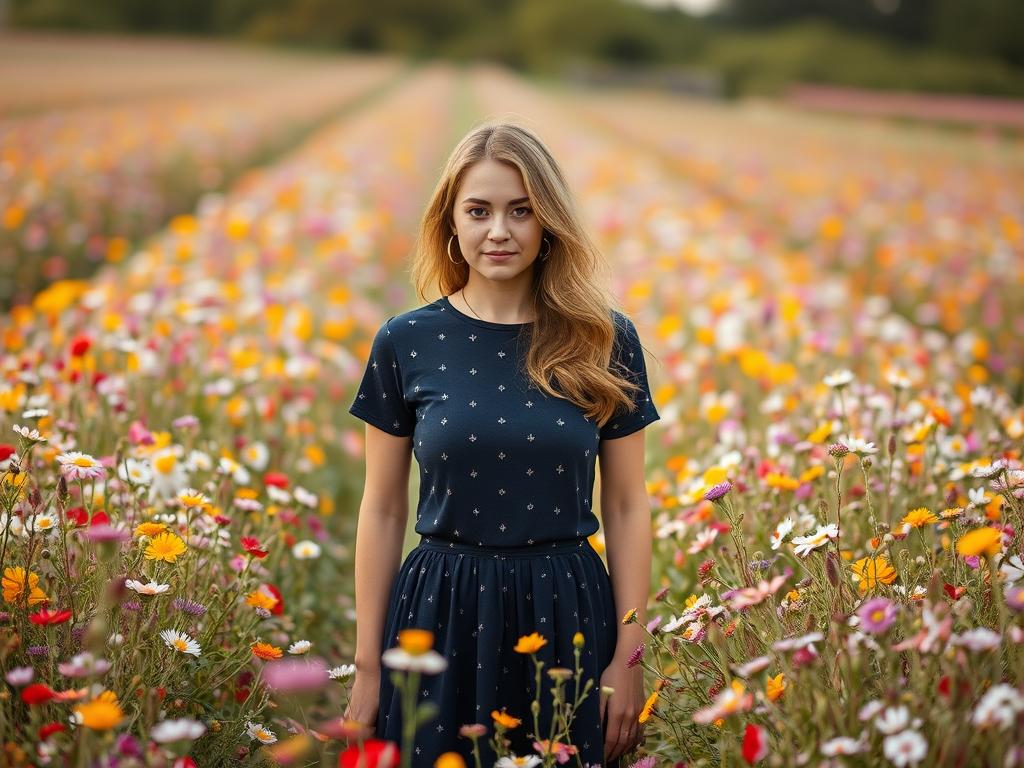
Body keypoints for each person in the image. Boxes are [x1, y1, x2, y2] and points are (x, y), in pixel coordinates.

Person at [344, 120, 660, 768]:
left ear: (547, 223)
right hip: (440, 609)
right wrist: (369, 664)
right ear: (450, 222)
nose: (499, 231)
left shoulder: (604, 339)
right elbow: (381, 509)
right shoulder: (405, 341)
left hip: (569, 605)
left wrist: (629, 657)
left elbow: (628, 505)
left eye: (521, 211)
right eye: (479, 211)